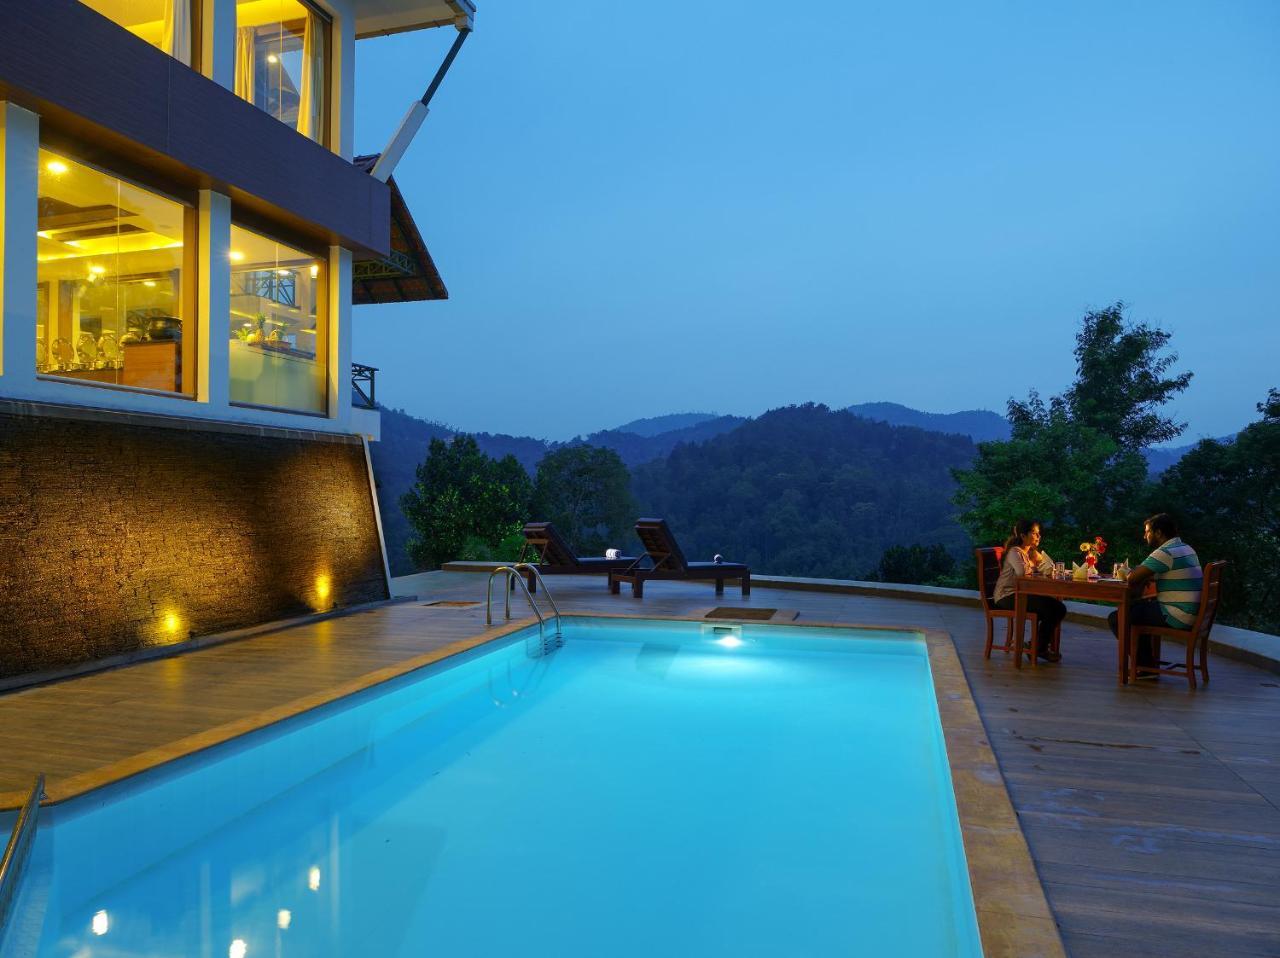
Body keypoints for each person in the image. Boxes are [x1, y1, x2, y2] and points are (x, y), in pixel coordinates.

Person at [1109, 513, 1202, 672]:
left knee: (1119, 617)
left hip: (1176, 614)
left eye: (1147, 531)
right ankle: (1146, 665)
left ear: (1158, 533)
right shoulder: (1186, 548)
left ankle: (1144, 667)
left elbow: (1132, 578)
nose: (1145, 535)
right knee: (1137, 611)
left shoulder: (1165, 552)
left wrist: (1134, 574)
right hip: (1192, 613)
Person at [992, 519, 1066, 661]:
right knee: (1054, 608)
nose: (1038, 537)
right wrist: (1037, 567)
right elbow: (1021, 572)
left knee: (1056, 608)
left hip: (1021, 594)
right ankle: (1038, 648)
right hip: (1006, 596)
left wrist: (1041, 564)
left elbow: (1046, 566)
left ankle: (1036, 646)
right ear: (1023, 536)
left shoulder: (1030, 552)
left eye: (1039, 534)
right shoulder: (1015, 552)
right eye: (1034, 533)